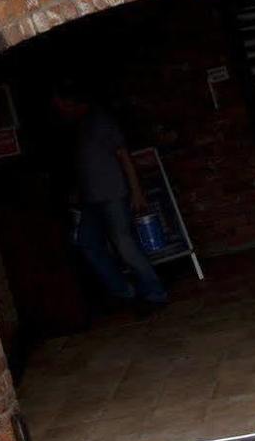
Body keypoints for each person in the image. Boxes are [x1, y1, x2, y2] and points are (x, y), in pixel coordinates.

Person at [54, 83, 169, 310]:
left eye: (60, 104)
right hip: (90, 199)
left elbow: (124, 156)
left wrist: (136, 192)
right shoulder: (77, 128)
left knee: (124, 244)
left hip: (113, 194)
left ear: (71, 103)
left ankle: (155, 291)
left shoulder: (101, 121)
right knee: (87, 243)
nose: (59, 110)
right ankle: (124, 290)